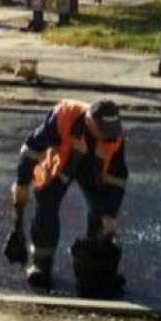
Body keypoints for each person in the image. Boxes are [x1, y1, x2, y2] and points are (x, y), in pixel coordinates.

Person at [11, 99, 127, 293]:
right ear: (89, 122)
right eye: (103, 131)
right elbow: (32, 148)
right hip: (60, 166)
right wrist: (21, 183)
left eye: (111, 131)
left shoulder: (115, 136)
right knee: (46, 205)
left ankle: (96, 268)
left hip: (93, 171)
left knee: (101, 216)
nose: (108, 137)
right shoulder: (64, 116)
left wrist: (110, 214)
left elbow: (117, 178)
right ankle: (41, 266)